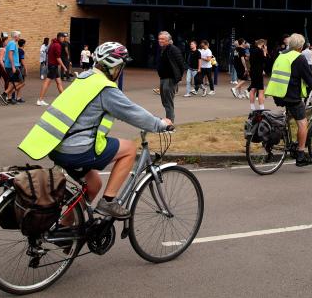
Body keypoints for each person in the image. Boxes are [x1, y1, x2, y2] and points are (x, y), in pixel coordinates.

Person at [17, 42, 172, 219]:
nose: (121, 70)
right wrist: (160, 124)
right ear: (114, 67)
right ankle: (108, 202)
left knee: (94, 185)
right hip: (77, 149)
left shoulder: (84, 78)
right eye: (121, 66)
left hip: (57, 146)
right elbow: (132, 113)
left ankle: (67, 232)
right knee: (129, 148)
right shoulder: (105, 88)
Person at [265, 33, 312, 166]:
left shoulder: (282, 55)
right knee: (302, 123)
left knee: (287, 118)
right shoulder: (299, 59)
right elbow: (309, 79)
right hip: (290, 96)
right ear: (300, 47)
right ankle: (300, 155)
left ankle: (274, 139)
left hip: (278, 93)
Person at [156, 31, 186, 122]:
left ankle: (170, 123)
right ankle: (169, 120)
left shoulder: (173, 49)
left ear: (168, 40)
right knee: (165, 101)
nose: (160, 40)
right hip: (163, 78)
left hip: (170, 79)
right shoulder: (164, 49)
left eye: (163, 39)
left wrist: (178, 78)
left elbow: (181, 64)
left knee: (168, 102)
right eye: (159, 39)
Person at [40, 32, 67, 105]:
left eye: (64, 37)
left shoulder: (53, 44)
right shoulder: (57, 45)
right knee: (47, 82)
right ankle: (40, 100)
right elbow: (58, 57)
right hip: (53, 66)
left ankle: (64, 99)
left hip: (53, 66)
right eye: (63, 37)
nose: (64, 39)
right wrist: (64, 67)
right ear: (59, 37)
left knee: (59, 82)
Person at [1, 31, 23, 104]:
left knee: (12, 82)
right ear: (15, 36)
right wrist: (13, 67)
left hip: (10, 66)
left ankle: (9, 98)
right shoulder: (13, 44)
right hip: (13, 66)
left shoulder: (10, 43)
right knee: (20, 81)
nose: (19, 37)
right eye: (19, 36)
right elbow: (10, 55)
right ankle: (4, 94)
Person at [247, 39, 269, 111]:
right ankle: (261, 108)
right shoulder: (260, 51)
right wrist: (265, 52)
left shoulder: (252, 50)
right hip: (258, 72)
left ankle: (252, 107)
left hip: (252, 71)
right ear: (262, 44)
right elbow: (264, 61)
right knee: (260, 90)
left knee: (253, 88)